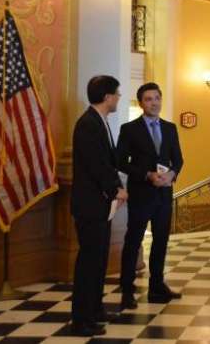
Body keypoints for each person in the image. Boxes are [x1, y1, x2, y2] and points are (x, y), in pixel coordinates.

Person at [116, 83, 183, 309]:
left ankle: (157, 286)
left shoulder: (170, 128)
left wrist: (171, 174)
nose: (154, 102)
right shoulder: (129, 129)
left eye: (157, 98)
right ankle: (127, 289)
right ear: (141, 103)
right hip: (141, 194)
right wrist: (147, 175)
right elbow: (119, 161)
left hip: (164, 195)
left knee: (161, 241)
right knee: (133, 241)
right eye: (148, 99)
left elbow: (179, 160)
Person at [71, 75, 127, 336]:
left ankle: (95, 309)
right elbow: (96, 165)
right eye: (117, 94)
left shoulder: (100, 121)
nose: (118, 98)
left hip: (101, 206)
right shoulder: (88, 125)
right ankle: (81, 319)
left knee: (99, 260)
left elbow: (110, 161)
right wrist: (116, 188)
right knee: (89, 262)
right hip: (90, 206)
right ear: (107, 97)